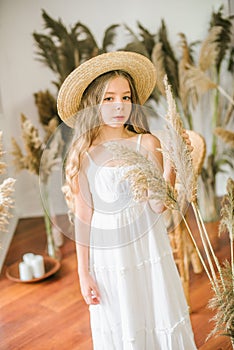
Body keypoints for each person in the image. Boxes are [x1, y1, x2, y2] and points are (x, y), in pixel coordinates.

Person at [57, 51, 197, 349]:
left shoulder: (146, 143)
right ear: (93, 104)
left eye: (125, 96)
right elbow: (83, 217)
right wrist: (84, 273)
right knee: (122, 322)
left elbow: (159, 204)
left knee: (156, 314)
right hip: (110, 257)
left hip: (148, 248)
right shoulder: (83, 155)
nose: (119, 105)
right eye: (108, 98)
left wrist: (171, 158)